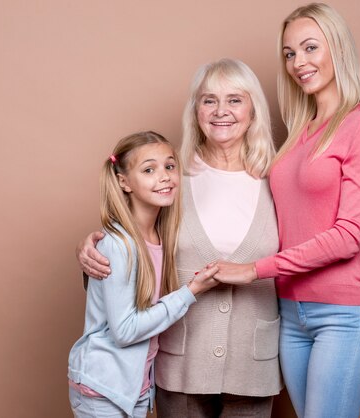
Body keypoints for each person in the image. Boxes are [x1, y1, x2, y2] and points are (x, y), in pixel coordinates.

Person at [76, 59, 283, 417]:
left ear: (253, 110)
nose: (221, 111)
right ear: (195, 111)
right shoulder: (173, 179)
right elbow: (134, 238)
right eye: (208, 100)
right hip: (181, 362)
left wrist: (359, 229)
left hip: (254, 362)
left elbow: (316, 241)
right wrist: (91, 248)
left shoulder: (279, 179)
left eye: (235, 100)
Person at [213, 4, 360, 418]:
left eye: (310, 48)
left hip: (342, 315)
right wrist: (116, 235)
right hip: (289, 312)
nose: (299, 63)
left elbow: (347, 237)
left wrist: (253, 269)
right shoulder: (300, 131)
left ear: (339, 49)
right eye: (290, 53)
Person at [68, 131, 219, 418]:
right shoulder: (119, 244)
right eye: (149, 169)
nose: (164, 176)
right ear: (124, 182)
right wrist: (190, 292)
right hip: (104, 388)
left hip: (135, 387)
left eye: (169, 166)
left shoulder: (162, 235)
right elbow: (125, 331)